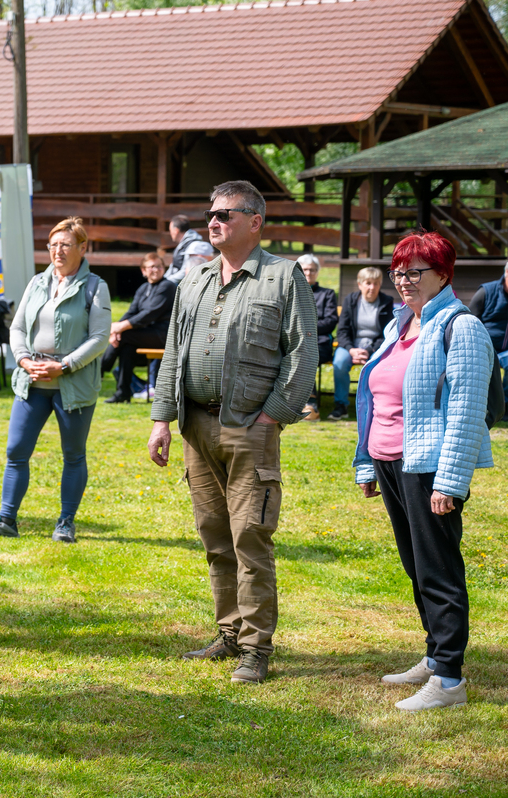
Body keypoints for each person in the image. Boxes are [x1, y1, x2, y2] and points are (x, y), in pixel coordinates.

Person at [147, 180, 315, 685]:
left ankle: (256, 649)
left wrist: (272, 416)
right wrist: (161, 419)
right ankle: (230, 633)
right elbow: (174, 352)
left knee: (250, 539)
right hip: (196, 426)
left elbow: (303, 354)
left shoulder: (283, 277)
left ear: (255, 222)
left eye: (225, 214)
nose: (213, 222)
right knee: (216, 537)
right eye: (210, 214)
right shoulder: (194, 278)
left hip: (249, 428)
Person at [354, 232, 494, 711]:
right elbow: (375, 399)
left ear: (443, 274)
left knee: (438, 571)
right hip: (391, 462)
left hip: (430, 467)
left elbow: (467, 411)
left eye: (415, 271)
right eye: (398, 271)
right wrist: (367, 462)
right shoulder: (399, 325)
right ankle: (435, 656)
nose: (404, 280)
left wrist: (449, 481)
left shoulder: (461, 327)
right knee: (417, 567)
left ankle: (449, 680)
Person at [0, 217, 111, 544]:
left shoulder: (95, 287)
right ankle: (6, 520)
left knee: (73, 454)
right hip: (31, 381)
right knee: (16, 451)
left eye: (65, 245)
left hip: (73, 385)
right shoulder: (37, 282)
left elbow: (99, 338)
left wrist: (63, 365)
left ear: (82, 248)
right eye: (53, 245)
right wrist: (23, 360)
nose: (57, 251)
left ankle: (65, 523)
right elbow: (17, 327)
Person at [103, 252, 176, 403]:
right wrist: (115, 330)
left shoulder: (167, 286)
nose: (156, 270)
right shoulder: (143, 288)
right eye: (152, 267)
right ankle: (122, 393)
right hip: (146, 335)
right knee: (127, 348)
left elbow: (149, 314)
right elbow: (131, 312)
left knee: (126, 336)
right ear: (143, 270)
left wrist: (121, 328)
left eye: (159, 266)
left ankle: (100, 369)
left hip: (164, 335)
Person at [330, 267, 396, 420]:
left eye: (376, 283)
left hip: (375, 347)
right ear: (360, 284)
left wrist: (369, 350)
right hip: (350, 345)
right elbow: (342, 331)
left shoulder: (386, 301)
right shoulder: (350, 300)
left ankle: (373, 407)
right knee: (339, 363)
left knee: (377, 365)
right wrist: (351, 349)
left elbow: (387, 333)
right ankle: (341, 405)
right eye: (368, 283)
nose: (372, 287)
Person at [298, 254, 338, 420]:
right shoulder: (291, 292)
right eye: (305, 270)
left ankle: (310, 403)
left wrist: (303, 329)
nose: (309, 273)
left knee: (305, 354)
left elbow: (331, 321)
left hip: (320, 344)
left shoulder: (327, 294)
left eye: (313, 270)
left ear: (317, 272)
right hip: (294, 343)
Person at [468, 260, 508, 396]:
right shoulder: (486, 292)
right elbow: (470, 321)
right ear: (506, 273)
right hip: (486, 348)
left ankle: (505, 403)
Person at [164, 214, 204, 283]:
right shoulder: (183, 243)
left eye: (170, 230)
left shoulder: (194, 246)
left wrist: (167, 281)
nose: (170, 233)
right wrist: (163, 279)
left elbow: (186, 271)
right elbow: (173, 266)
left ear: (176, 231)